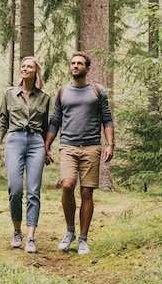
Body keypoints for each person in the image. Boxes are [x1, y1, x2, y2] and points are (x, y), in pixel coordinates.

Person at [44, 51, 114, 255]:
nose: (75, 66)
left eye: (79, 63)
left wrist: (110, 144)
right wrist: (47, 146)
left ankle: (83, 239)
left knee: (86, 192)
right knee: (67, 186)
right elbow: (55, 121)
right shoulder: (62, 92)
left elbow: (107, 120)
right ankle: (70, 232)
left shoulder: (97, 91)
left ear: (87, 68)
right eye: (72, 63)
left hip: (92, 147)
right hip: (68, 146)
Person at [0, 56, 52, 253]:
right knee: (15, 189)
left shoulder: (44, 97)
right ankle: (17, 231)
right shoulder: (9, 94)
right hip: (14, 141)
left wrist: (47, 149)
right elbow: (2, 122)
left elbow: (45, 127)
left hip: (36, 143)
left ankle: (31, 237)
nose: (25, 69)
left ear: (36, 71)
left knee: (34, 191)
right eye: (23, 66)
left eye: (30, 67)